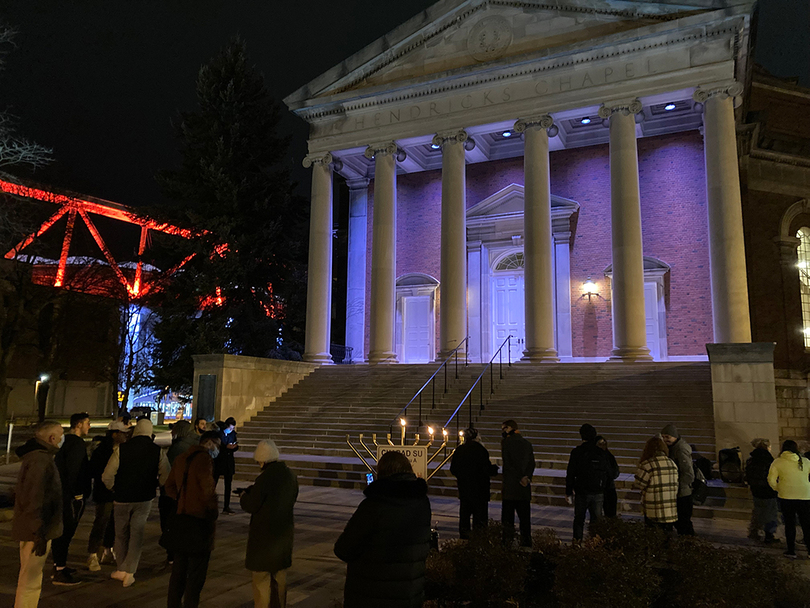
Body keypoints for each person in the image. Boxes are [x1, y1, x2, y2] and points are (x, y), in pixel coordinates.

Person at [335, 451, 431, 608]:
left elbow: (343, 549)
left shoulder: (374, 505)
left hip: (371, 595)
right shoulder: (422, 503)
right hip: (409, 594)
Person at [102, 418, 170, 587]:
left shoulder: (122, 449)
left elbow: (107, 475)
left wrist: (113, 488)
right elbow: (166, 475)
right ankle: (130, 571)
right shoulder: (157, 451)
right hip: (144, 497)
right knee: (137, 534)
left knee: (121, 533)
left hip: (122, 497)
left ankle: (121, 568)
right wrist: (156, 485)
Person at [164, 430, 221, 608]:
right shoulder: (204, 460)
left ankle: (173, 605)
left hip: (182, 519)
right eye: (217, 444)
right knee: (196, 575)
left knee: (178, 571)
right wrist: (212, 510)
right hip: (199, 521)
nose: (218, 448)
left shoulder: (181, 457)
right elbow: (207, 490)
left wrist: (182, 500)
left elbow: (169, 486)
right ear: (209, 443)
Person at [241, 439, 299, 608]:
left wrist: (245, 496)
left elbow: (252, 505)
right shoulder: (290, 476)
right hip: (283, 533)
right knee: (280, 578)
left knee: (261, 580)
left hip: (263, 537)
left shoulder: (264, 478)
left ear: (263, 459)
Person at [12, 421, 64, 608]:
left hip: (34, 529)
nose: (61, 437)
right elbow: (35, 498)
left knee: (30, 576)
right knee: (30, 579)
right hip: (36, 531)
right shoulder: (41, 461)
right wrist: (39, 533)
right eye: (60, 433)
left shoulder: (37, 458)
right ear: (52, 438)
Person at [51, 412, 91, 585]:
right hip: (72, 496)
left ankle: (60, 565)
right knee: (66, 532)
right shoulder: (76, 444)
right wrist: (77, 493)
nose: (89, 427)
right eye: (87, 423)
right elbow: (74, 470)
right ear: (79, 425)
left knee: (64, 532)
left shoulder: (66, 443)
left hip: (64, 494)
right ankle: (60, 570)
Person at [87, 421, 128, 571]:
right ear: (114, 434)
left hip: (116, 492)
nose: (125, 436)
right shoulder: (102, 451)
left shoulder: (122, 449)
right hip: (104, 493)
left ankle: (107, 550)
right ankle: (92, 554)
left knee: (112, 523)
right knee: (101, 522)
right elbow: (95, 471)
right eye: (122, 433)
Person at [565, 423, 611, 542]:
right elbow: (609, 471)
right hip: (598, 490)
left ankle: (577, 542)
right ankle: (595, 544)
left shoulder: (577, 452)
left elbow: (570, 473)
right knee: (596, 519)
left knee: (579, 519)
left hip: (582, 490)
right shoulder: (601, 452)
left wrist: (568, 491)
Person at [450, 427, 498, 539]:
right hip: (480, 490)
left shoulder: (460, 450)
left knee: (465, 517)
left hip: (465, 489)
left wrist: (462, 476)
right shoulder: (481, 450)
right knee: (480, 519)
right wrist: (494, 469)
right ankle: (478, 542)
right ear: (476, 437)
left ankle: (464, 539)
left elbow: (453, 469)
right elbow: (485, 469)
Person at [768, 439, 810, 559]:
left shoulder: (778, 462)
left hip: (786, 496)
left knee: (790, 524)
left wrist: (779, 488)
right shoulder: (805, 461)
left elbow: (771, 480)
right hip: (805, 496)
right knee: (806, 524)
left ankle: (791, 551)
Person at [500, 419, 535, 548]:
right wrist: (527, 477)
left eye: (504, 429)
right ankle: (526, 543)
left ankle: (507, 543)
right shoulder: (527, 443)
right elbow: (531, 463)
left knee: (508, 520)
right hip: (524, 487)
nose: (503, 432)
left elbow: (509, 464)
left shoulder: (506, 443)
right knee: (525, 520)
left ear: (510, 428)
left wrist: (519, 478)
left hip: (510, 487)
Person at [634, 436, 679, 531]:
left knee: (653, 538)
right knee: (667, 538)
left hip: (653, 509)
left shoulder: (647, 465)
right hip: (670, 509)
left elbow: (639, 484)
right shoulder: (672, 463)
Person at [660, 424, 694, 535]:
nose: (665, 440)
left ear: (674, 436)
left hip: (682, 493)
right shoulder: (672, 448)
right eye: (663, 437)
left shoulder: (680, 449)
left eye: (667, 437)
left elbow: (688, 473)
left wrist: (677, 488)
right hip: (677, 492)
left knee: (683, 523)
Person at [745, 438, 779, 544]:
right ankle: (769, 535)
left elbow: (747, 475)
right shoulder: (769, 459)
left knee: (758, 511)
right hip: (768, 490)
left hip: (756, 490)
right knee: (771, 513)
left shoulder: (751, 459)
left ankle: (754, 531)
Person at [214, 417, 238, 514]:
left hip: (229, 462)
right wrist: (225, 447)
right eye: (231, 428)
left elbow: (236, 444)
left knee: (228, 485)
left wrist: (234, 447)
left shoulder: (233, 434)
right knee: (213, 482)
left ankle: (226, 506)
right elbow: (217, 445)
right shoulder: (219, 434)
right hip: (219, 461)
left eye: (233, 428)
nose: (232, 430)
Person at [596, 435, 621, 517]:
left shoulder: (609, 456)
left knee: (610, 513)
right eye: (600, 444)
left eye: (604, 443)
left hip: (609, 487)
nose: (602, 445)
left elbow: (615, 471)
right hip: (598, 488)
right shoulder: (594, 457)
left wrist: (609, 474)